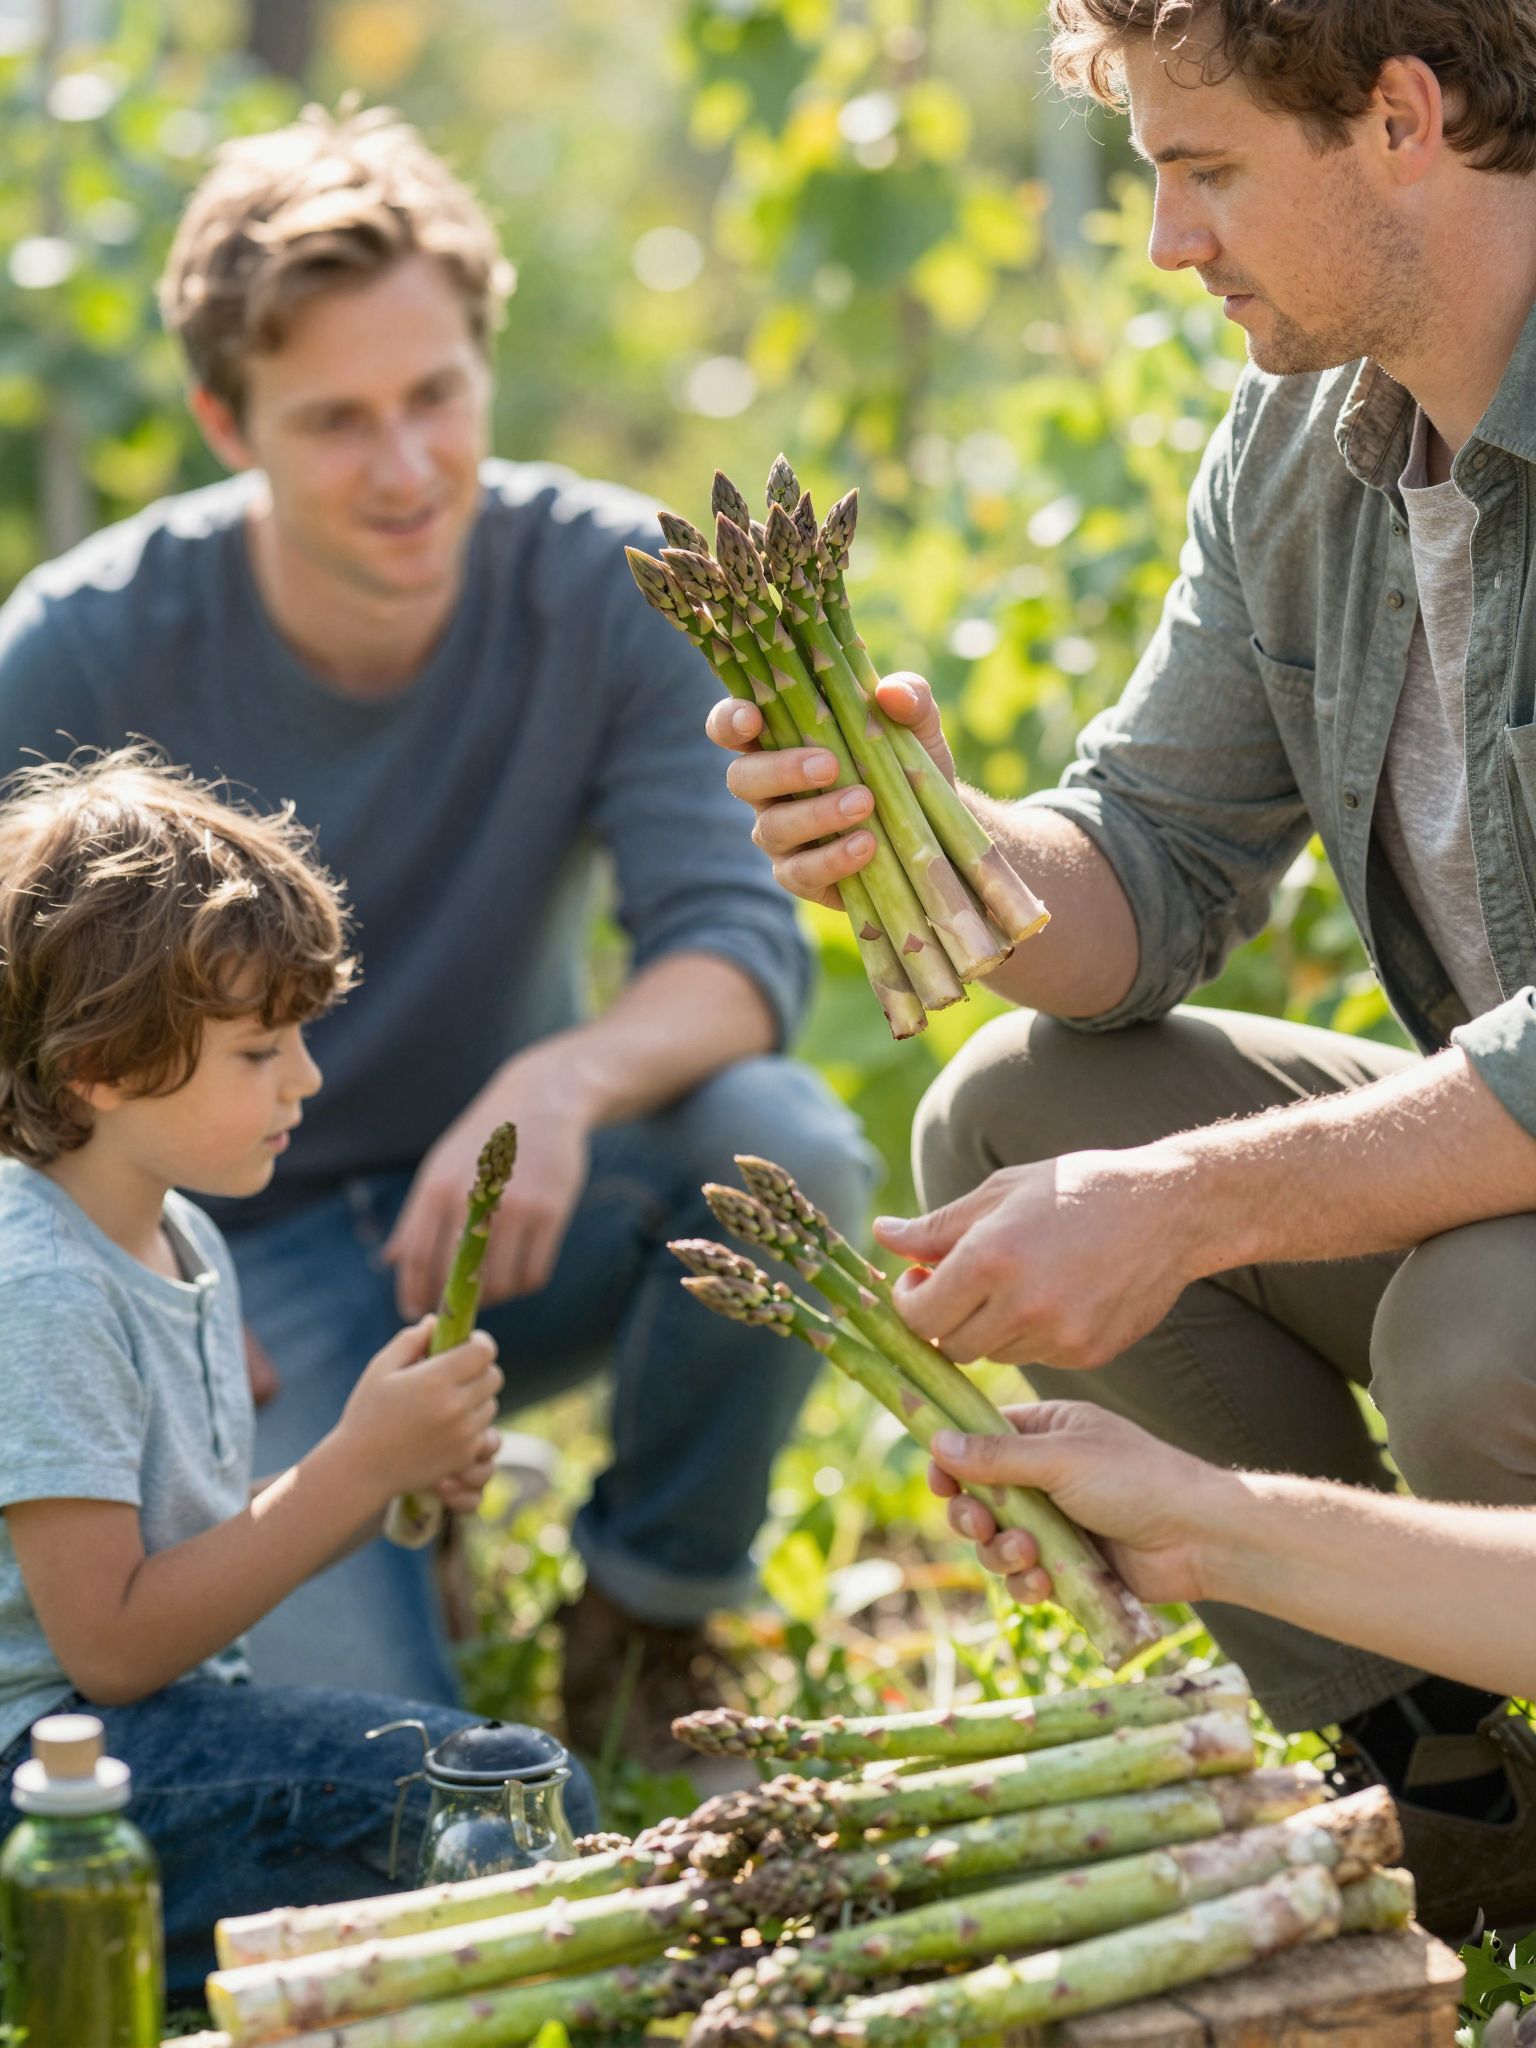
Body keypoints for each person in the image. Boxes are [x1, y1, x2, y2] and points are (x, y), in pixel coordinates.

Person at [708, 0, 1536, 1935]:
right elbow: (1144, 865)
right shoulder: (1296, 448)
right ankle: (1452, 1801)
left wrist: (1184, 1202)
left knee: (1476, 1325)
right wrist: (941, 833)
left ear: (1402, 118)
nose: (1169, 239)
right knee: (1022, 1103)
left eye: (1209, 168)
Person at [0, 105, 874, 1768]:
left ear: (486, 363)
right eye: (335, 420)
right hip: (209, 1249)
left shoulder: (611, 582)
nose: (404, 467)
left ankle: (648, 1612)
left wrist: (559, 1077)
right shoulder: (85, 645)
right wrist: (142, 1261)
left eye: (435, 398)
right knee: (366, 1744)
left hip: (498, 1215)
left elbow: (735, 950)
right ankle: (410, 1527)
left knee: (783, 1145)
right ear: (221, 417)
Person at [0, 750, 599, 1998]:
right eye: (260, 1050)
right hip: (49, 1798)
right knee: (508, 1800)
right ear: (101, 1065)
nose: (308, 1080)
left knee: (500, 1805)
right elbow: (108, 1647)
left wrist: (406, 1471)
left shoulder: (175, 1231)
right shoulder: (41, 1286)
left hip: (142, 1746)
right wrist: (352, 1466)